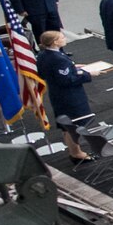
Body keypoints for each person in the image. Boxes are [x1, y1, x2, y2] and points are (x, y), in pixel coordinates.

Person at [34, 30, 94, 162]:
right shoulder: (58, 58)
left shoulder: (44, 55)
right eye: (62, 37)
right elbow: (67, 80)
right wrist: (88, 75)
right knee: (74, 125)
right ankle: (76, 153)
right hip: (70, 97)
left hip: (57, 95)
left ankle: (74, 151)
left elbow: (47, 73)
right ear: (55, 42)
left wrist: (74, 68)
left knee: (66, 126)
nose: (64, 38)